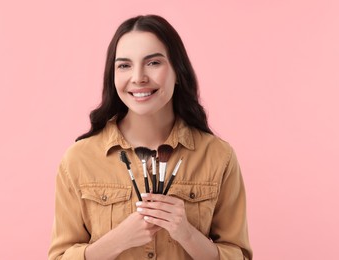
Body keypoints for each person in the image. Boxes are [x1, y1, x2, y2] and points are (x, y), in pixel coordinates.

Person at [48, 14, 252, 260]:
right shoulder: (79, 160)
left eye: (153, 63)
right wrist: (117, 240)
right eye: (124, 65)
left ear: (178, 70)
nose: (138, 77)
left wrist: (187, 234)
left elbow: (237, 254)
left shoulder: (219, 156)